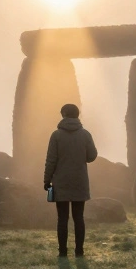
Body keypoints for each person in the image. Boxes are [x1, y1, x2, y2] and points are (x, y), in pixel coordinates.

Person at [43, 103, 98, 257]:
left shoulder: (56, 135)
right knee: (79, 217)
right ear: (77, 115)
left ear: (64, 114)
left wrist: (46, 180)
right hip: (80, 181)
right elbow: (92, 156)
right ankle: (79, 251)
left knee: (62, 218)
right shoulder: (85, 134)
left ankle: (62, 252)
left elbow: (51, 160)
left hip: (61, 182)